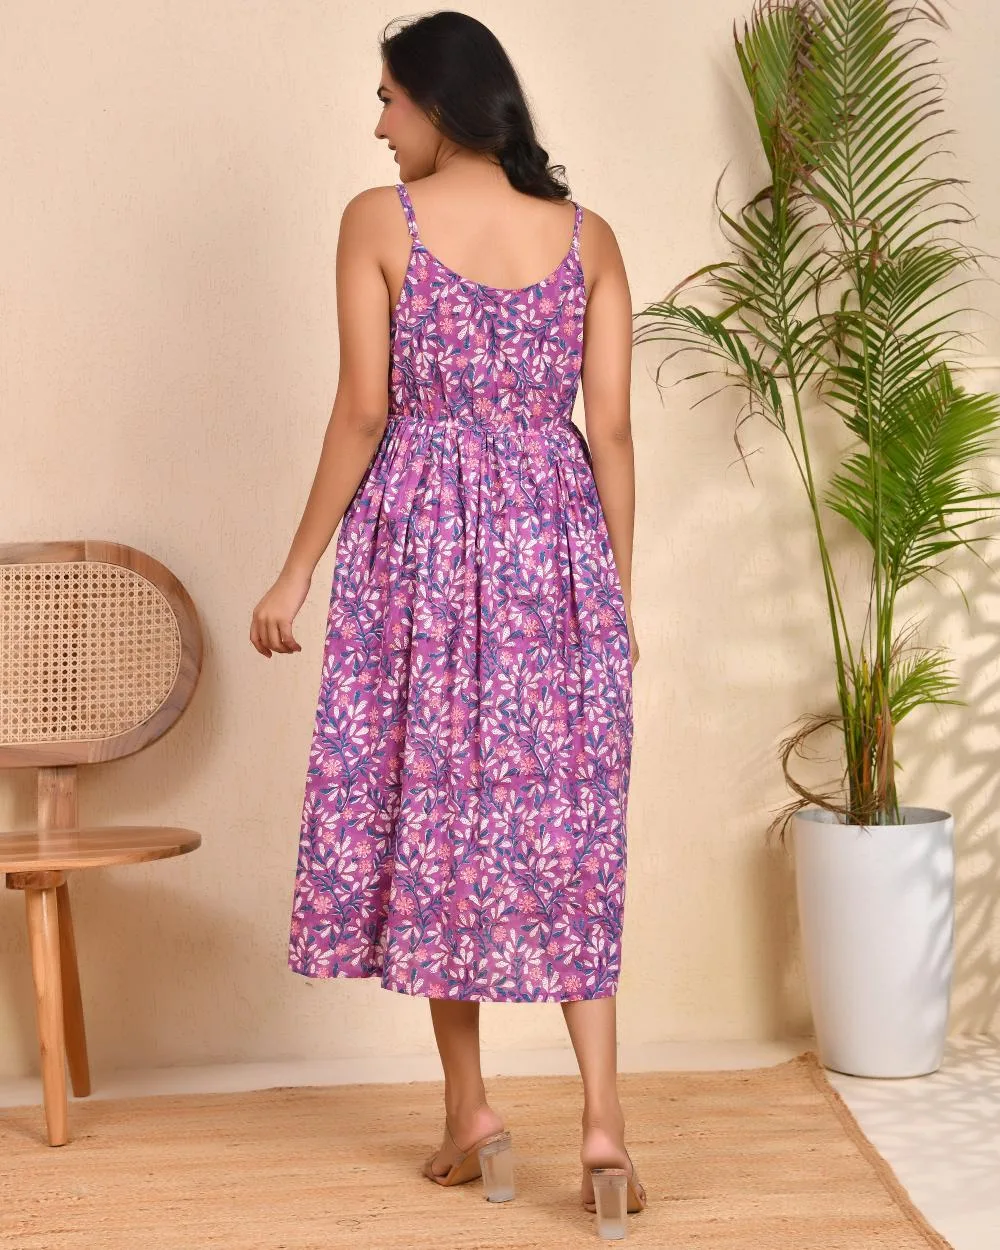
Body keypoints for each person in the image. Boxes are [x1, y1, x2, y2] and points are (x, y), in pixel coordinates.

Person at [250, 9, 643, 1238]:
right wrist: (618, 599)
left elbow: (364, 410)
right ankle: (601, 1121)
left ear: (437, 101)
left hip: (422, 549)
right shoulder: (589, 237)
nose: (378, 125)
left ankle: (472, 1109)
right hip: (558, 553)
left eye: (388, 98)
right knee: (568, 830)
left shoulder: (381, 222)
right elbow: (612, 429)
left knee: (438, 817)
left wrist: (294, 571)